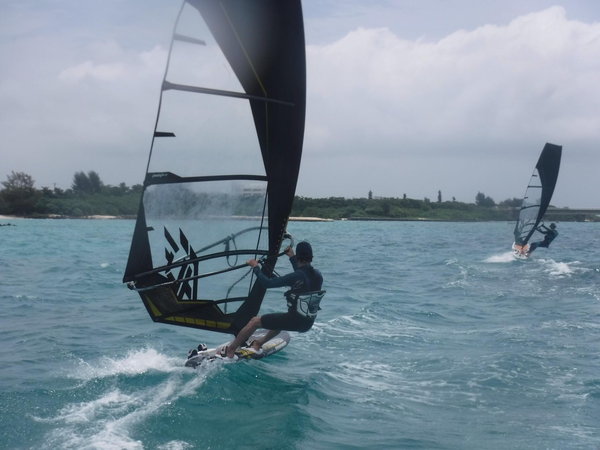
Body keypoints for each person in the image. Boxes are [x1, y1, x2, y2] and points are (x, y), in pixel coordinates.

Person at [222, 241, 323, 358]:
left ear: (299, 257)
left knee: (254, 322)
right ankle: (258, 343)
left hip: (295, 320)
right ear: (311, 257)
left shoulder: (297, 276)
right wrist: (292, 257)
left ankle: (230, 350)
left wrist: (255, 267)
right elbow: (303, 274)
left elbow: (267, 283)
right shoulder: (318, 275)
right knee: (279, 322)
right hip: (307, 323)